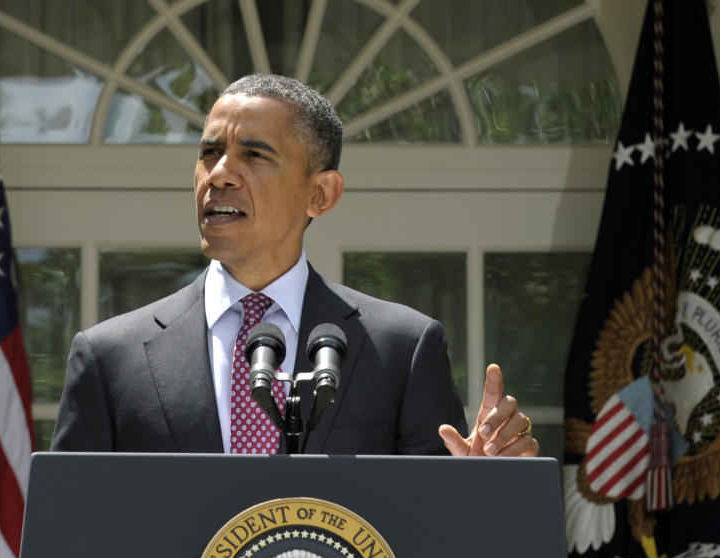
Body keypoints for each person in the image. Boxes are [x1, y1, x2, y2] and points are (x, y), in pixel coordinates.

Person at [52, 73, 538, 458]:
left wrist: (480, 485)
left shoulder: (402, 350)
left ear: (320, 194)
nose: (219, 174)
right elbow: (72, 540)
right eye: (209, 152)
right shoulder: (108, 358)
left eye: (254, 156)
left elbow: (435, 534)